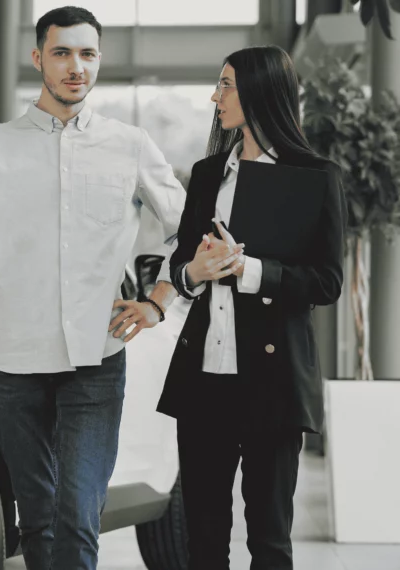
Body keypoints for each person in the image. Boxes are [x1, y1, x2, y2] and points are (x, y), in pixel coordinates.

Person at [0, 7, 187, 570]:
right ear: (38, 59)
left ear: (98, 61)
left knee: (79, 516)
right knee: (38, 518)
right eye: (62, 53)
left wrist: (157, 301)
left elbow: (188, 228)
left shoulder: (130, 145)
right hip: (13, 359)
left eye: (87, 54)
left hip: (96, 358)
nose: (76, 67)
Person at [156, 46, 346, 570]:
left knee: (269, 541)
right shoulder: (207, 172)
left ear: (262, 91)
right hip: (204, 379)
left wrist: (249, 270)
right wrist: (195, 272)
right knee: (204, 540)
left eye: (226, 85)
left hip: (273, 380)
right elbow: (182, 269)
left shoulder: (316, 177)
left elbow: (328, 281)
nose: (215, 97)